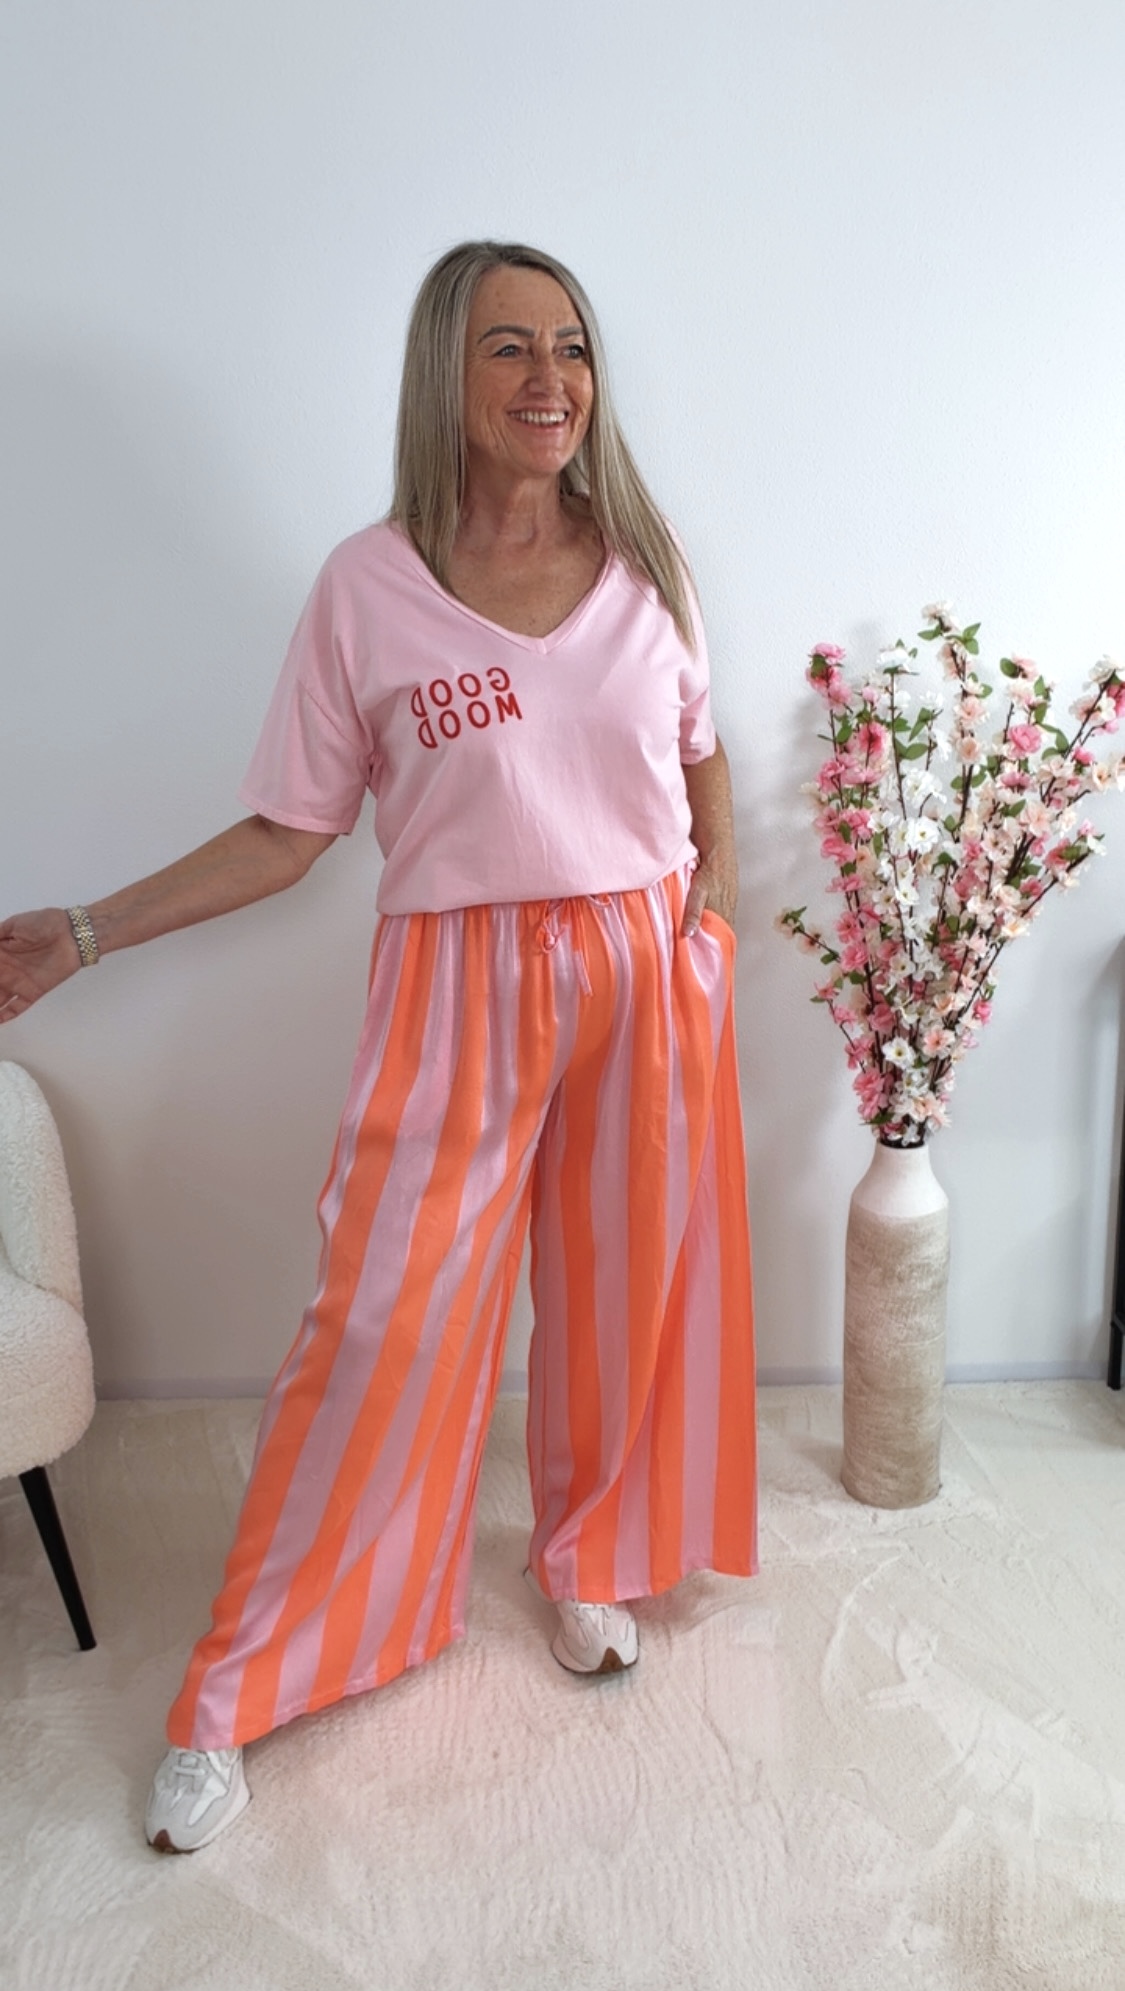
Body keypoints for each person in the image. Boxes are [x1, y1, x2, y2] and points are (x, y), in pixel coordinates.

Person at [0, 240, 757, 1853]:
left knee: (620, 1296)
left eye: (572, 346)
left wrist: (713, 913)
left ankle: (585, 1556)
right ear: (443, 374)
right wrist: (84, 930)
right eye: (508, 347)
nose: (550, 379)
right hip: (458, 984)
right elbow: (290, 833)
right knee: (381, 1322)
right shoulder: (367, 587)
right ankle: (237, 1687)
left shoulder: (647, 559)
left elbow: (702, 756)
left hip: (640, 965)